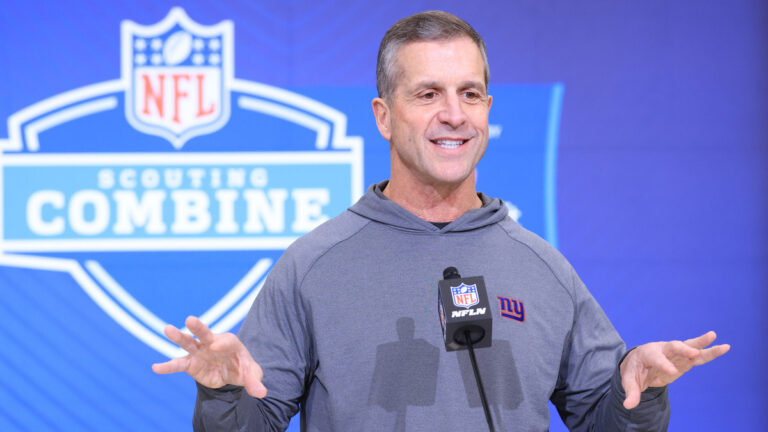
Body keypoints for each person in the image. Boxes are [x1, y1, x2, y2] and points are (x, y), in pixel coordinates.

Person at [153, 10, 729, 431]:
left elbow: (605, 420)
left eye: (470, 94)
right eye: (428, 94)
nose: (453, 115)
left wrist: (641, 389)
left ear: (488, 111)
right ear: (383, 115)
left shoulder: (542, 266)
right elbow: (251, 423)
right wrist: (224, 393)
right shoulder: (313, 265)